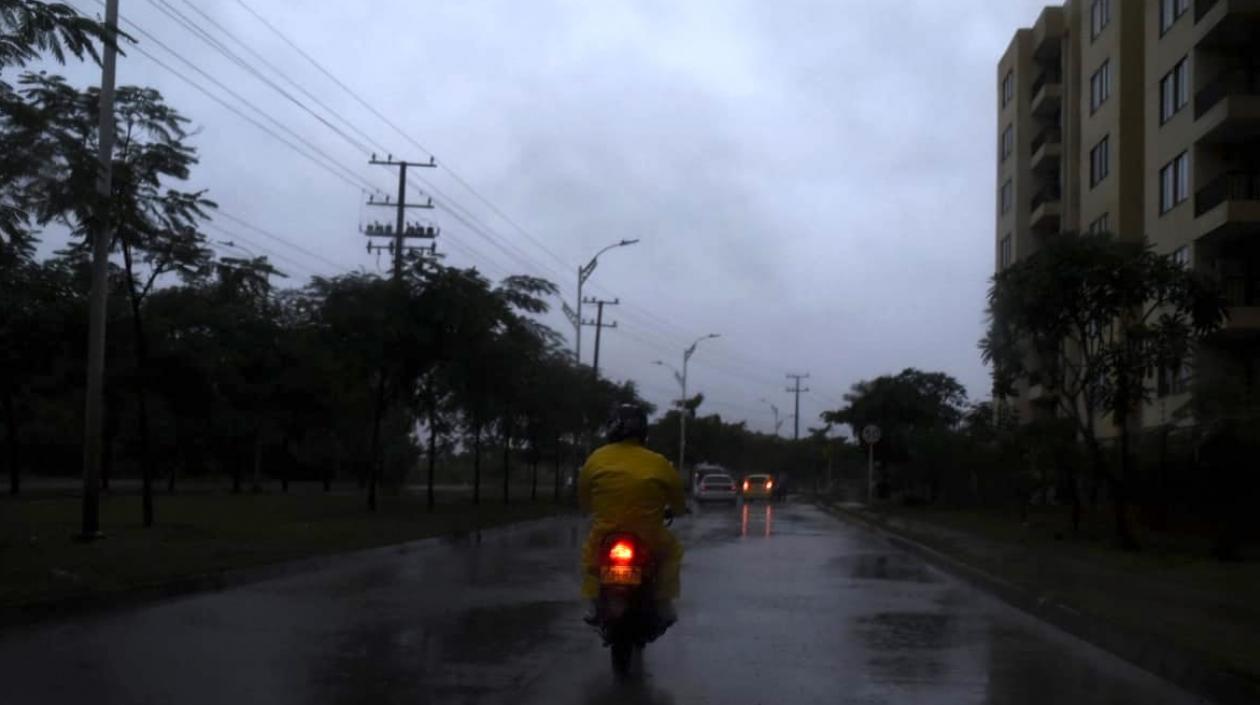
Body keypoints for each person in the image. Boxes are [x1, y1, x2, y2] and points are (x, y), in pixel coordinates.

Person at [579, 403, 686, 624]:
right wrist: (677, 510)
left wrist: (592, 510)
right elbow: (678, 500)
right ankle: (663, 602)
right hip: (649, 535)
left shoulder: (596, 458)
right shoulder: (658, 462)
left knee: (591, 556)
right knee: (672, 552)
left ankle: (591, 602)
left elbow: (584, 496)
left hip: (606, 533)